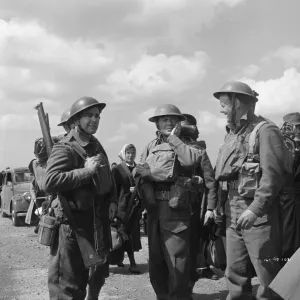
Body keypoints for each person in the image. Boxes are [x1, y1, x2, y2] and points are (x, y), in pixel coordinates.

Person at [213, 81, 288, 300]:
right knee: (234, 275)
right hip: (232, 211)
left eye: (224, 104)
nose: (221, 109)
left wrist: (255, 209)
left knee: (268, 277)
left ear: (237, 103)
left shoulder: (265, 131)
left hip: (258, 215)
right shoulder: (232, 134)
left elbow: (272, 177)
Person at [43, 96, 118, 300]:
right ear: (76, 120)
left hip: (93, 223)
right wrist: (85, 172)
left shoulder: (95, 145)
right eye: (88, 116)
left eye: (97, 116)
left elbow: (107, 177)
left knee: (86, 280)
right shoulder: (65, 147)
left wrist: (112, 200)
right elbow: (49, 181)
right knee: (67, 288)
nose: (94, 120)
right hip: (71, 226)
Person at [134, 104, 207, 300]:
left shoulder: (187, 144)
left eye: (173, 119)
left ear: (179, 122)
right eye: (164, 119)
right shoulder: (150, 146)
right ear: (156, 123)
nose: (168, 122)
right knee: (156, 264)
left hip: (175, 211)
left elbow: (191, 161)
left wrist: (153, 172)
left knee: (177, 264)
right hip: (154, 210)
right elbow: (138, 171)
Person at [180, 113, 219, 291]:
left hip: (193, 210)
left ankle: (187, 288)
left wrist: (210, 208)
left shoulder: (199, 152)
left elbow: (211, 183)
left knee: (191, 250)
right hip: (168, 209)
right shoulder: (164, 148)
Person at [112, 144, 142, 273]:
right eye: (128, 152)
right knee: (123, 234)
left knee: (132, 235)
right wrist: (127, 192)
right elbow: (113, 190)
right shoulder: (117, 170)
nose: (130, 155)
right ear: (124, 154)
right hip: (122, 207)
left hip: (135, 207)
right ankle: (132, 263)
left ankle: (121, 260)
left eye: (133, 152)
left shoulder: (138, 169)